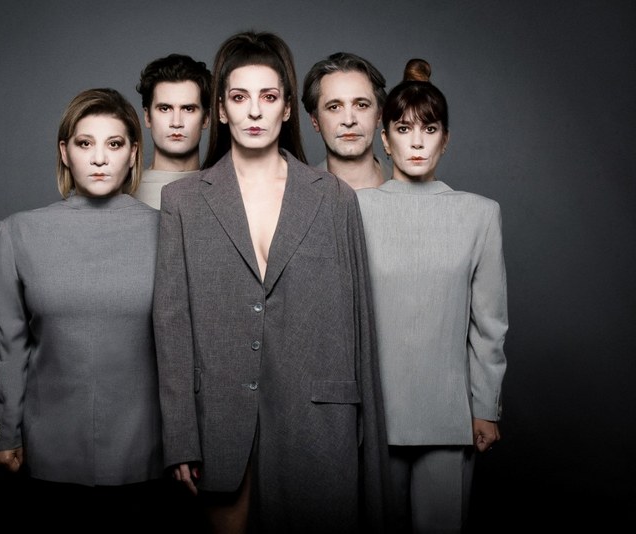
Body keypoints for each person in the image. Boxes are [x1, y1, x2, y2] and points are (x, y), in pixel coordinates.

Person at [152, 30, 390, 533]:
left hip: (319, 421)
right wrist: (180, 438)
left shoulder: (334, 198)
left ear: (286, 108)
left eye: (268, 96)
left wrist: (367, 436)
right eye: (240, 98)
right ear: (221, 110)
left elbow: (361, 325)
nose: (255, 111)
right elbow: (171, 326)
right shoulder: (183, 201)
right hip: (219, 423)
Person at [0, 88, 167, 524]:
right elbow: (8, 348)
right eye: (85, 144)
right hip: (48, 454)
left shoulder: (169, 233)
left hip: (148, 454)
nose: (99, 158)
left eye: (114, 144)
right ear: (65, 153)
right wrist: (0, 432)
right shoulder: (18, 233)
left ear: (133, 154)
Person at [356, 59, 508, 533]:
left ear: (446, 139)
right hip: (371, 414)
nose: (417, 142)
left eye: (429, 129)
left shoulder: (480, 214)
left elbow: (489, 324)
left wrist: (485, 407)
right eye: (404, 129)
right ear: (385, 139)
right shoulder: (354, 209)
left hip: (449, 414)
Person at [302, 52, 392, 189]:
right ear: (315, 120)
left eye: (361, 105)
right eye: (334, 107)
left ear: (379, 116)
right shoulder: (300, 193)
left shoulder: (407, 189)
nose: (349, 121)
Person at [134, 53, 212, 209]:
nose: (176, 122)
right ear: (147, 117)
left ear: (205, 118)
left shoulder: (226, 190)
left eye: (188, 109)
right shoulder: (124, 191)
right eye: (165, 108)